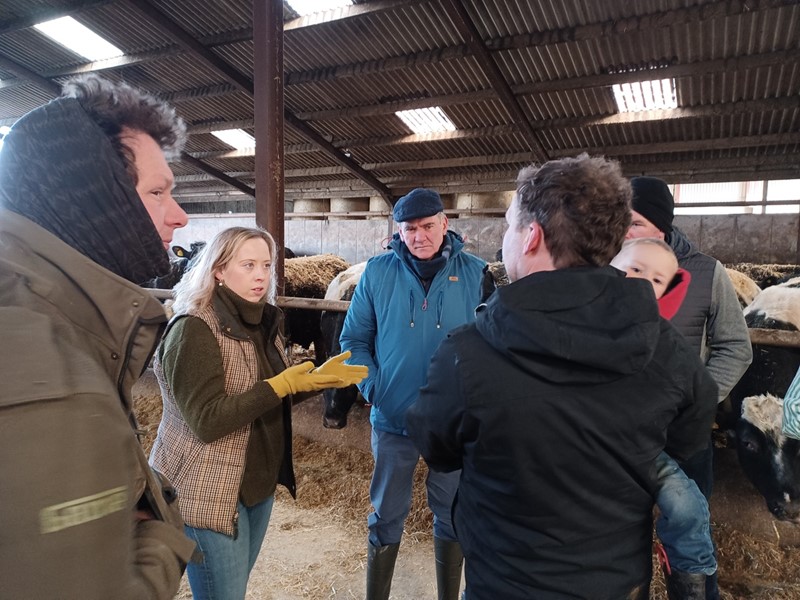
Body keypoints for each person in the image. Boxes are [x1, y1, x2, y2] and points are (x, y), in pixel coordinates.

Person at [406, 154, 718, 600]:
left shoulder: (469, 353)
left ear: (531, 235)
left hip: (505, 583)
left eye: (511, 225)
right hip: (618, 584)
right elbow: (690, 431)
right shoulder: (664, 347)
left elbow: (436, 444)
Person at [0, 74, 196, 598]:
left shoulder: (53, 320)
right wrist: (161, 533)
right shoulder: (43, 368)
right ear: (91, 197)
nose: (178, 216)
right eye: (158, 192)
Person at [149, 226, 367, 600]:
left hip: (256, 483)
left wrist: (307, 383)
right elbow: (208, 420)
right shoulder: (195, 330)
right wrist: (281, 385)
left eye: (266, 265)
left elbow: (264, 393)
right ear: (218, 269)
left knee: (232, 590)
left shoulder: (264, 321)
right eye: (247, 264)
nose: (261, 275)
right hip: (208, 486)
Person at [339, 188, 486, 600]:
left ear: (444, 224)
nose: (419, 236)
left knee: (453, 513)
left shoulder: (477, 274)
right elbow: (354, 340)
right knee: (386, 514)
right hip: (393, 418)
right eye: (409, 229)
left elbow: (493, 345)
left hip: (452, 424)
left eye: (426, 226)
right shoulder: (377, 273)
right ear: (397, 232)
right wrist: (373, 387)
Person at [627, 176, 752, 599]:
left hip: (684, 435)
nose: (623, 232)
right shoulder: (609, 269)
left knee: (690, 529)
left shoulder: (707, 272)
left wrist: (700, 400)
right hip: (621, 431)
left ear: (662, 225)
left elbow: (736, 346)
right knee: (621, 536)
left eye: (634, 222)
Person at [612, 238, 718, 598]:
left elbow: (702, 396)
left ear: (668, 290)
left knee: (687, 506)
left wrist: (672, 449)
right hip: (591, 435)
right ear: (610, 265)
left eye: (656, 279)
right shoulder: (583, 317)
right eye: (635, 268)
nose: (642, 281)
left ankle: (689, 583)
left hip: (645, 448)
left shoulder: (667, 342)